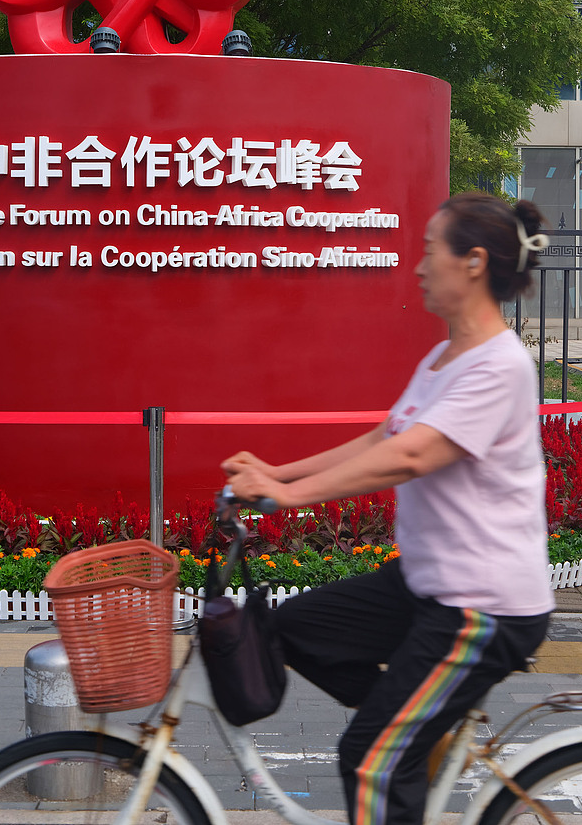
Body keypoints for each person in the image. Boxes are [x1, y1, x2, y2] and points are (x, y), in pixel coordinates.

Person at [222, 192, 552, 825]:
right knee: (291, 631)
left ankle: (403, 740)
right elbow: (386, 438)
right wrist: (274, 474)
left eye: (430, 251)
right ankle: (416, 731)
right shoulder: (442, 358)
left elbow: (413, 457)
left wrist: (287, 497)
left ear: (473, 262)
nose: (419, 267)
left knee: (372, 760)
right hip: (428, 586)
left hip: (482, 607)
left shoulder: (499, 367)